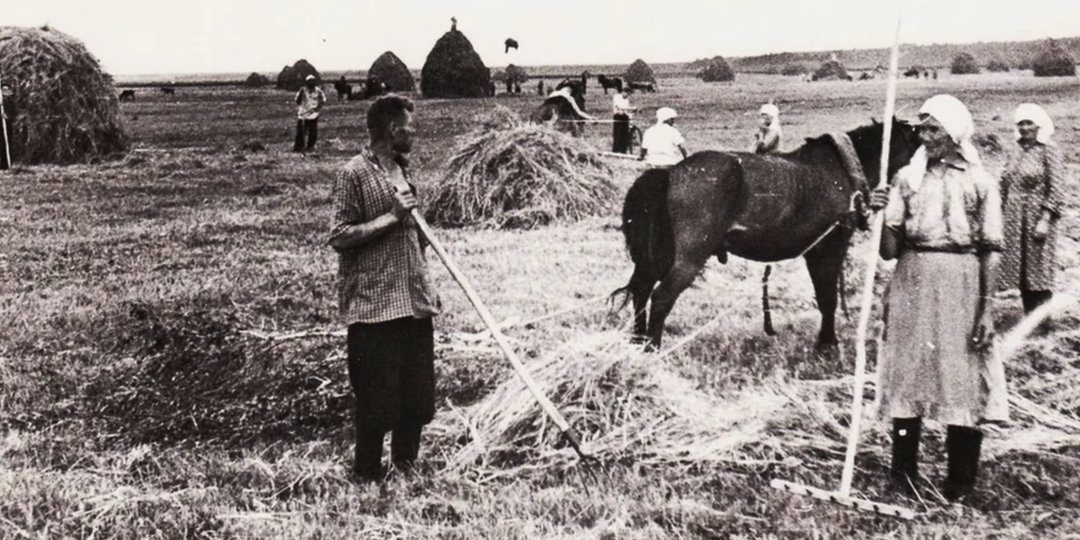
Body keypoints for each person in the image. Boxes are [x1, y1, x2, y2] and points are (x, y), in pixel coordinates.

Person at [868, 94, 1007, 502]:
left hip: (961, 280)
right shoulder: (906, 179)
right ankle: (903, 473)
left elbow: (991, 249)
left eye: (933, 130)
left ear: (955, 133)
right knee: (908, 371)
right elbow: (890, 251)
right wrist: (878, 215)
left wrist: (987, 310)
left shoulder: (981, 182)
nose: (925, 138)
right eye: (921, 130)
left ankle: (960, 480)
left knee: (960, 375)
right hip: (912, 277)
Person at [328, 95, 441, 482]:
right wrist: (391, 218)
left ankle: (405, 470)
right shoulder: (354, 174)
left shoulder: (405, 173)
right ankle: (366, 477)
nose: (415, 132)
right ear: (393, 130)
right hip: (375, 305)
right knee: (377, 401)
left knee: (417, 398)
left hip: (413, 301)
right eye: (410, 126)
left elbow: (415, 237)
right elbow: (340, 236)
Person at [998, 103, 1066, 327]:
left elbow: (1056, 188)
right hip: (1014, 216)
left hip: (1038, 216)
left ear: (1039, 125)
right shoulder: (1015, 149)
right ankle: (1030, 319)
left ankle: (1043, 321)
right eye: (1021, 123)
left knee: (1039, 269)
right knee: (1022, 269)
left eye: (1029, 123)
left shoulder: (1049, 149)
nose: (1025, 128)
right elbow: (1004, 183)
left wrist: (1045, 219)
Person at [294, 75, 326, 153]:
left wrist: (317, 108)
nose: (311, 83)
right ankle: (298, 147)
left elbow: (323, 100)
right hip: (303, 114)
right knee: (301, 132)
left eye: (313, 81)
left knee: (313, 132)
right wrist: (301, 94)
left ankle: (310, 146)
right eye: (309, 81)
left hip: (313, 114)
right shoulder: (303, 90)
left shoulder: (318, 91)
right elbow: (297, 101)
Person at [612, 88, 637, 154]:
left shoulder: (627, 99)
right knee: (617, 134)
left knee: (624, 134)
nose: (628, 95)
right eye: (627, 94)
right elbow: (619, 107)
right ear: (623, 92)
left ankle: (623, 150)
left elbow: (626, 110)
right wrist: (631, 108)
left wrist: (631, 112)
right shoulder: (616, 97)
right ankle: (616, 150)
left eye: (629, 94)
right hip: (618, 116)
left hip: (625, 117)